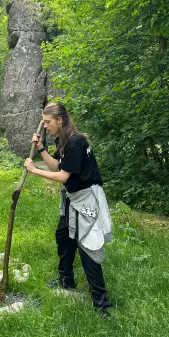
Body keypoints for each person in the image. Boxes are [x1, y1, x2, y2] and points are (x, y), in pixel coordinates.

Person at [24, 102, 113, 315]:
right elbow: (58, 166)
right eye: (43, 122)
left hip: (87, 199)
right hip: (72, 198)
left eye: (48, 122)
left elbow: (62, 177)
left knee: (88, 247)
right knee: (63, 237)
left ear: (60, 120)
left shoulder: (76, 142)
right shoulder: (64, 141)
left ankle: (102, 303)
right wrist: (41, 150)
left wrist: (34, 170)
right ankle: (66, 280)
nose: (44, 126)